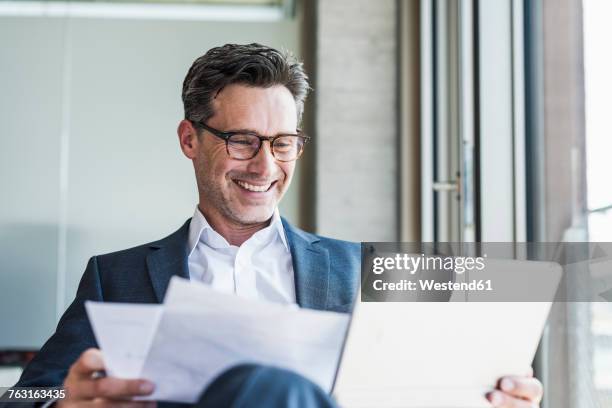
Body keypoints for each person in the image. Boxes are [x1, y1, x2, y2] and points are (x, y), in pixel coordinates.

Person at [10, 43, 543, 408]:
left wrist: (494, 394)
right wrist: (66, 401)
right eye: (243, 140)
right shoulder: (116, 276)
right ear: (190, 140)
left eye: (282, 143)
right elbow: (23, 396)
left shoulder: (359, 269)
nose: (266, 167)